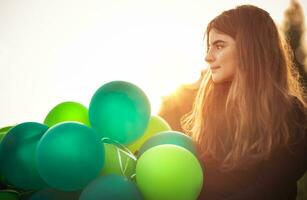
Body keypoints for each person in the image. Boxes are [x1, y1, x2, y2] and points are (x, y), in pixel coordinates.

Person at [178, 5, 307, 200]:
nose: (208, 56)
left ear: (250, 49)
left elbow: (269, 190)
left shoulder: (291, 114)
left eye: (219, 45)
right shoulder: (211, 113)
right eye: (209, 46)